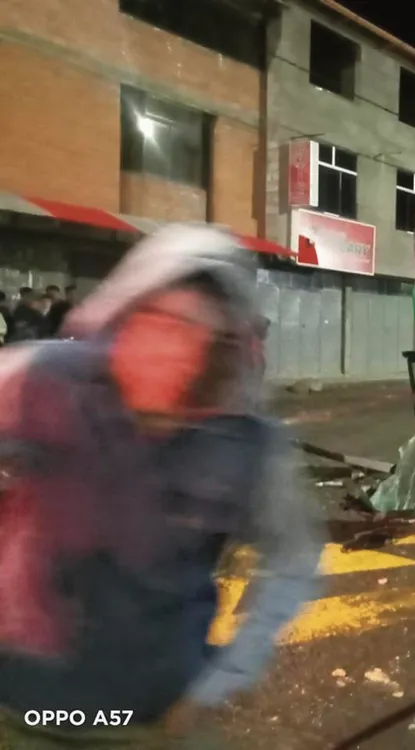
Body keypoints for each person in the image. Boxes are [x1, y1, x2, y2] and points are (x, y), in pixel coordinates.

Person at [0, 224, 325, 747]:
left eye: (193, 333)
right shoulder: (42, 382)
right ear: (124, 317)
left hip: (156, 715)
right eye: (156, 321)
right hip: (24, 707)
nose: (167, 348)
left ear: (217, 350)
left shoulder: (244, 443)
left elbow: (293, 559)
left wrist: (224, 678)